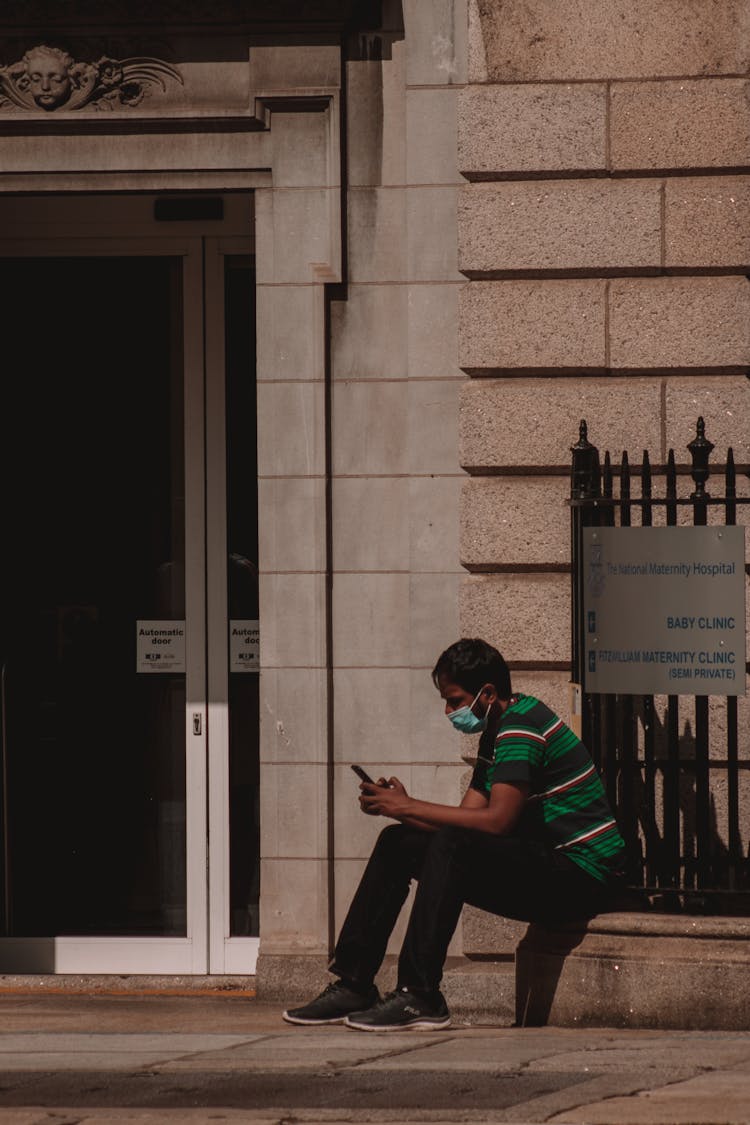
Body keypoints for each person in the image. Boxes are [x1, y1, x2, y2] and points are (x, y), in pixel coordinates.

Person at [283, 637, 627, 1032]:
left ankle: (420, 993)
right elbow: (466, 820)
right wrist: (400, 807)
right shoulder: (497, 732)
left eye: (455, 700)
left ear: (488, 692)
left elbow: (496, 822)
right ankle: (355, 983)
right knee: (398, 843)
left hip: (583, 877)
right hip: (549, 866)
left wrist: (409, 807)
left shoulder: (521, 727)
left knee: (447, 842)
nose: (449, 711)